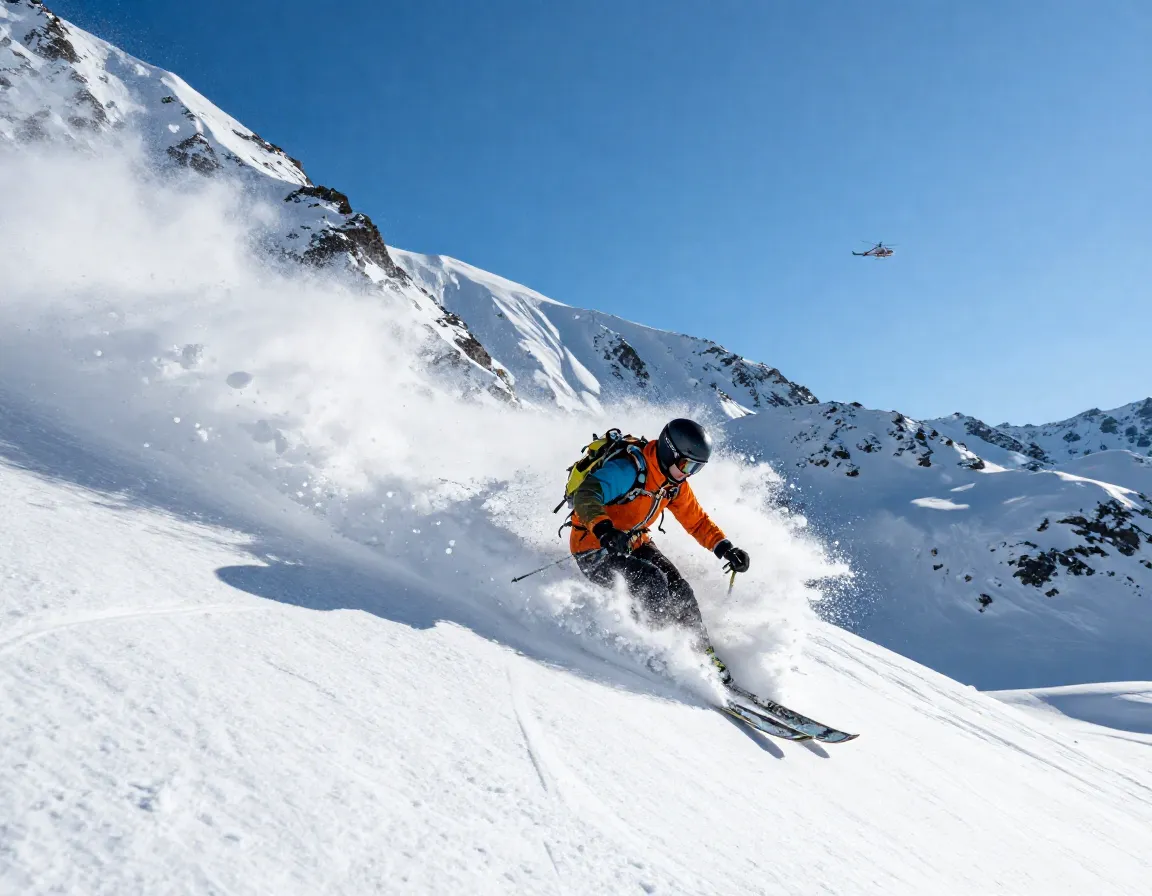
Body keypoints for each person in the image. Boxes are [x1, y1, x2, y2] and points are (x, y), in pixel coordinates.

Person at [568, 418, 750, 682]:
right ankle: (664, 649)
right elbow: (586, 494)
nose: (688, 473)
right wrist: (604, 530)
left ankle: (700, 651)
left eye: (696, 469)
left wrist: (726, 548)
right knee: (651, 581)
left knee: (679, 587)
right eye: (687, 465)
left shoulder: (673, 484)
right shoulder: (629, 469)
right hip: (595, 548)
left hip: (633, 541)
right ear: (669, 452)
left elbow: (696, 521)